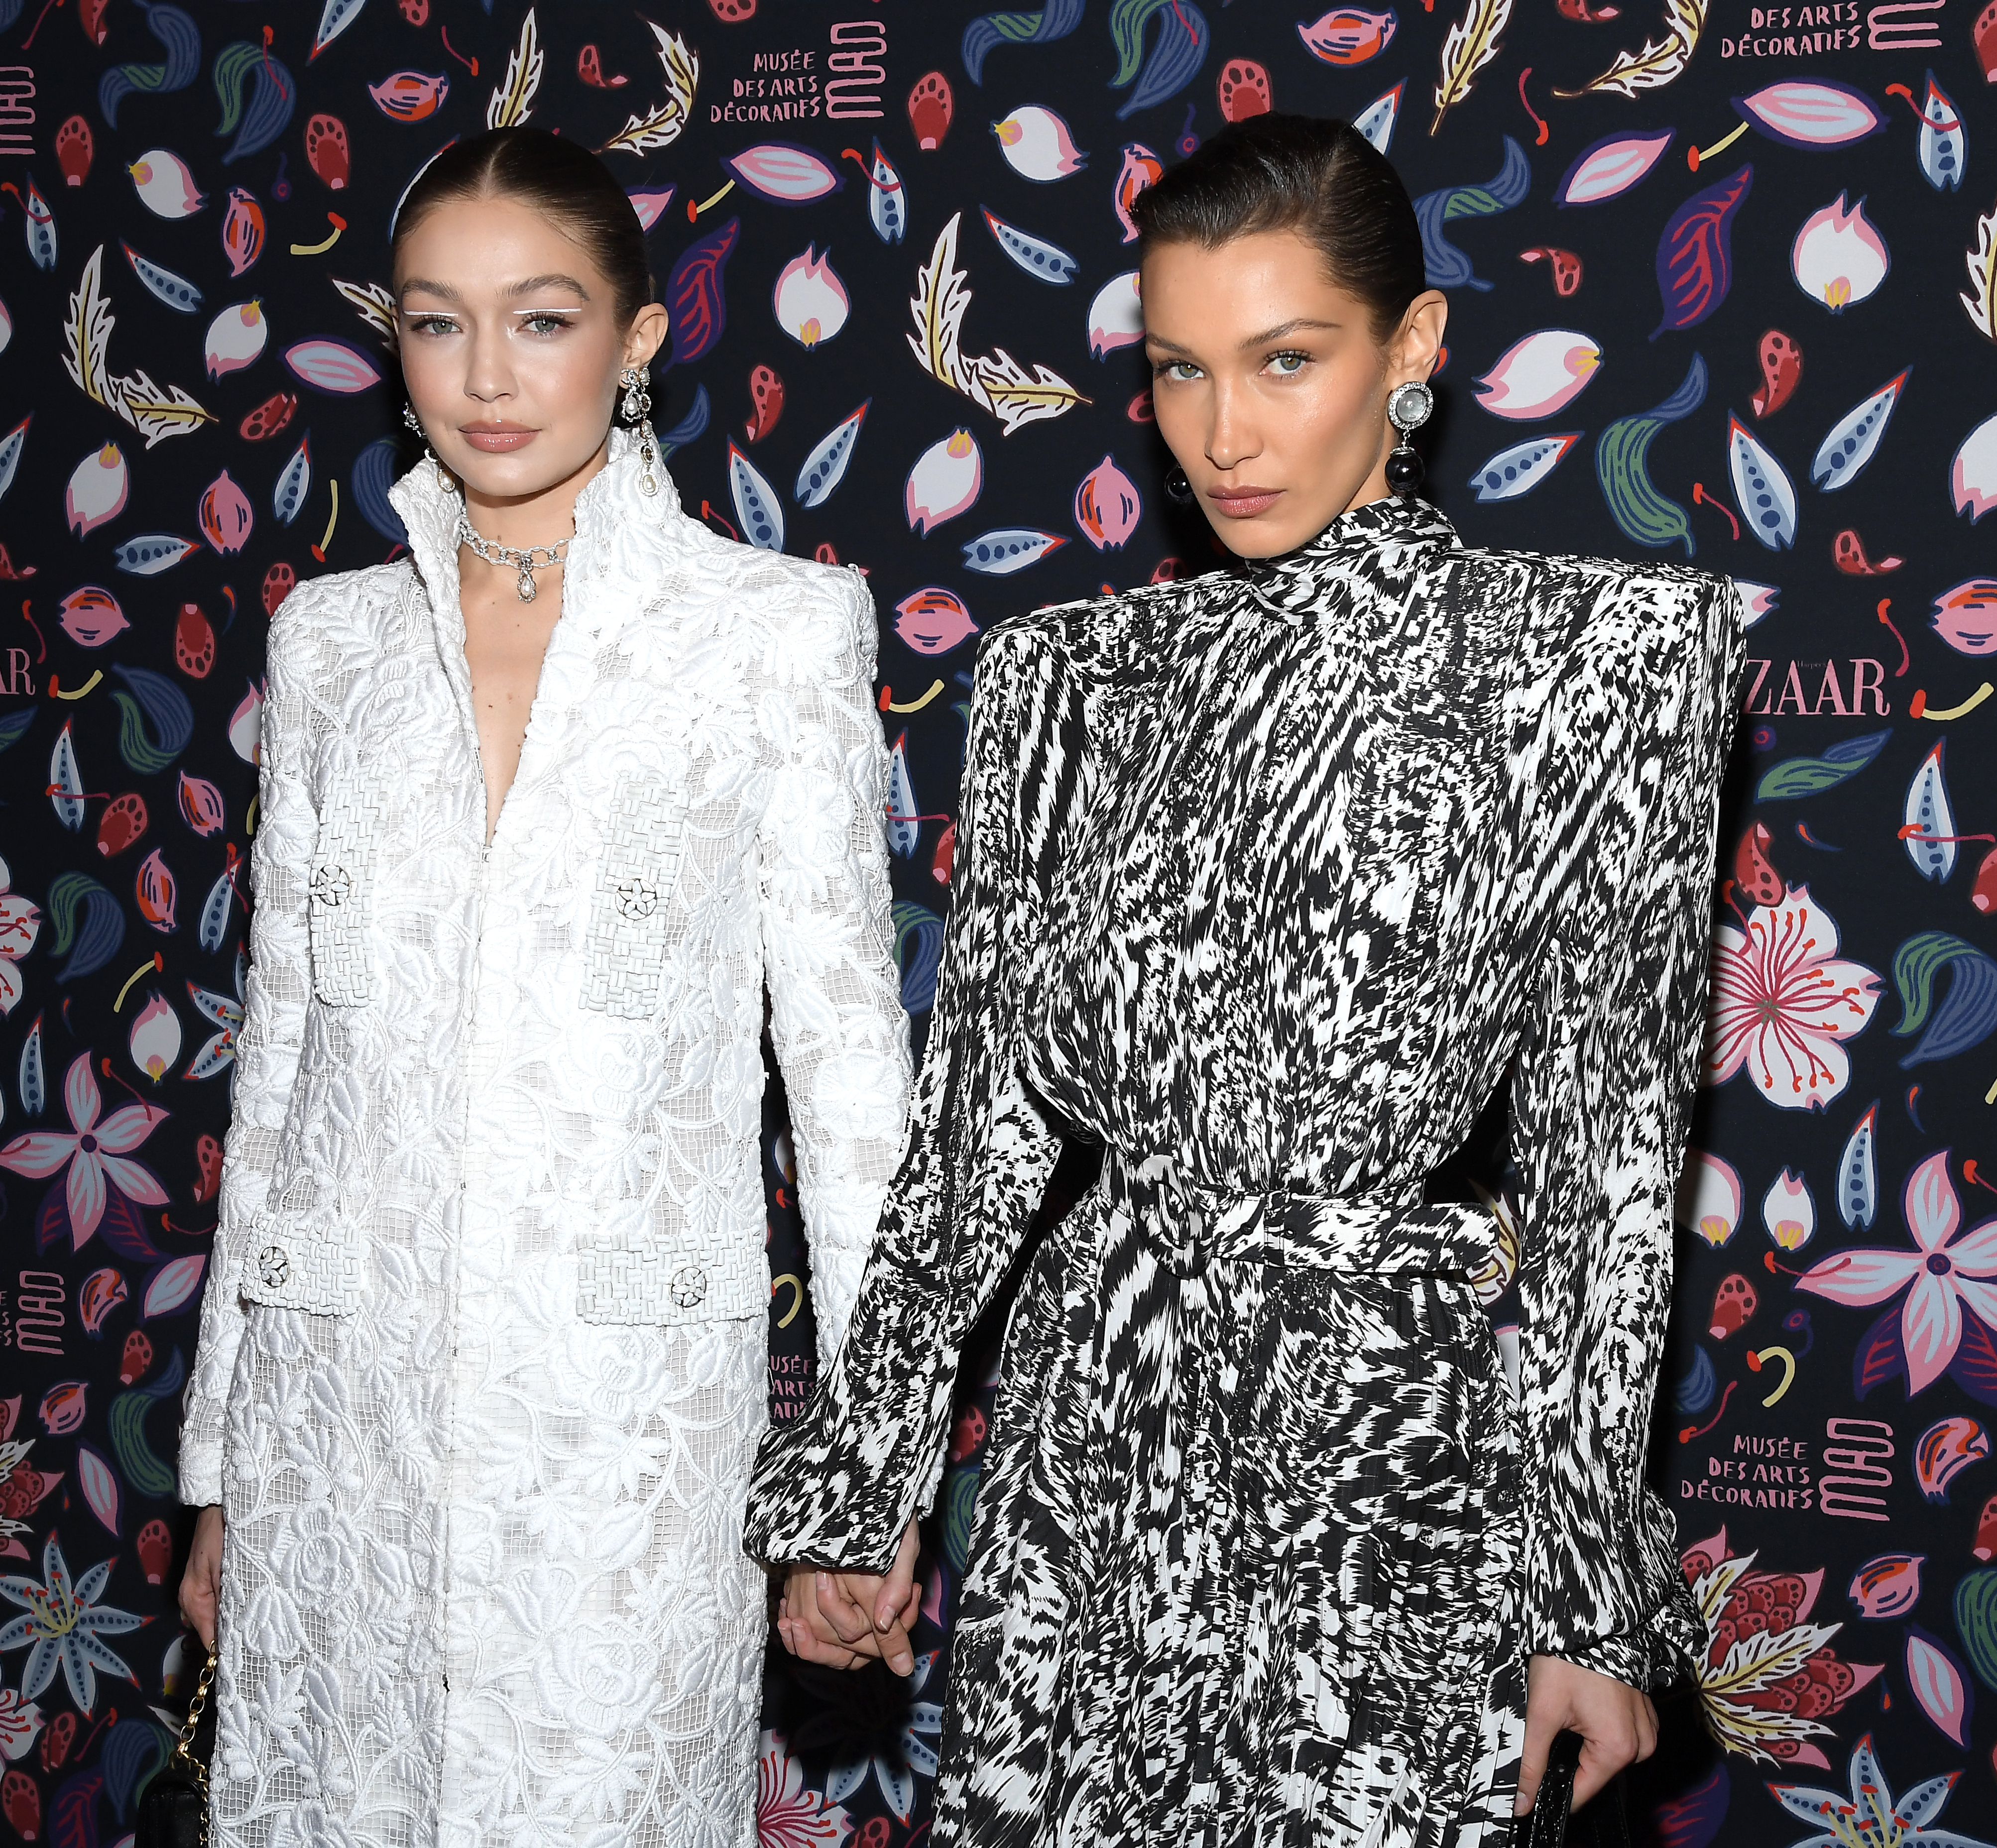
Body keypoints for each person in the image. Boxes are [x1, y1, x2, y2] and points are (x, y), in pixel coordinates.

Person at [747, 113, 1748, 1846]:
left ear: (1414, 350)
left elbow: (1607, 1172)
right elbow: (979, 1131)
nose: (1227, 434)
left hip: (1386, 1482)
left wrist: (1588, 1599)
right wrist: (867, 1478)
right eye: (1182, 372)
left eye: (1288, 362)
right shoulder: (1065, 679)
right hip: (1085, 1462)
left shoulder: (1607, 662)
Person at [173, 126, 911, 1847]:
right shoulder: (332, 644)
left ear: (639, 337)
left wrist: (865, 1471)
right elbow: (285, 1068)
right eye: (438, 325)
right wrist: (222, 1470)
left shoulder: (772, 634)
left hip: (626, 1451)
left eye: (544, 320)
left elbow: (851, 1086)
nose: (487, 379)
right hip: (336, 1435)